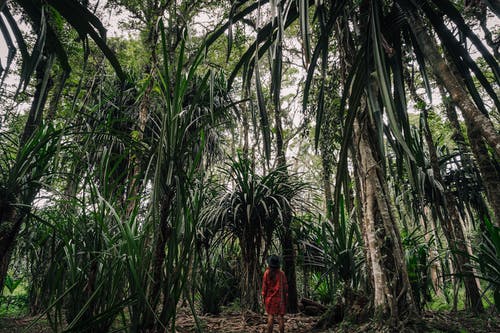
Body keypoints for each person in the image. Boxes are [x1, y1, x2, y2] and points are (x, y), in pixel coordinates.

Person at [262, 255, 288, 333]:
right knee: (281, 317)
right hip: (280, 299)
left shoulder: (266, 273)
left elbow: (264, 288)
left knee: (270, 317)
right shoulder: (281, 274)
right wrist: (286, 299)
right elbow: (285, 287)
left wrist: (264, 298)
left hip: (269, 299)